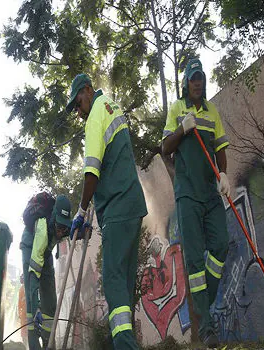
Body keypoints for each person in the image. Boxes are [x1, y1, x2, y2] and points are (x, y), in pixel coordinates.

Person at [66, 73, 148, 349]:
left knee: (112, 280)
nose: (78, 111)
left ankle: (126, 346)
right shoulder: (112, 106)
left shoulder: (94, 119)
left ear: (88, 90)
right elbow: (112, 163)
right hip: (132, 204)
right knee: (123, 281)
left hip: (117, 206)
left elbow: (92, 171)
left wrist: (81, 209)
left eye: (77, 103)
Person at [162, 58, 230, 348]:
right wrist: (183, 129)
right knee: (194, 260)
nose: (197, 83)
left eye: (200, 78)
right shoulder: (177, 109)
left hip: (210, 193)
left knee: (221, 245)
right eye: (192, 78)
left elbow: (221, 147)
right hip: (188, 194)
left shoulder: (212, 111)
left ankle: (205, 302)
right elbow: (164, 147)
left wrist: (224, 174)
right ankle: (206, 327)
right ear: (186, 82)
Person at [20, 193, 72, 349]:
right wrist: (36, 307)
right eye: (59, 226)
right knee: (31, 304)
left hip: (46, 252)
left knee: (50, 304)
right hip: (31, 247)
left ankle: (49, 344)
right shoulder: (43, 230)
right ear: (53, 219)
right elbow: (34, 272)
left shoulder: (64, 228)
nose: (61, 231)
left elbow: (74, 230)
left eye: (65, 227)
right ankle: (35, 346)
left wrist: (82, 230)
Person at [17, 274, 27, 346]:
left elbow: (19, 304)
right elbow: (20, 303)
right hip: (25, 313)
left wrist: (19, 313)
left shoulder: (22, 289)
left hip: (24, 313)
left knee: (24, 330)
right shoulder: (24, 288)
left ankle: (25, 345)